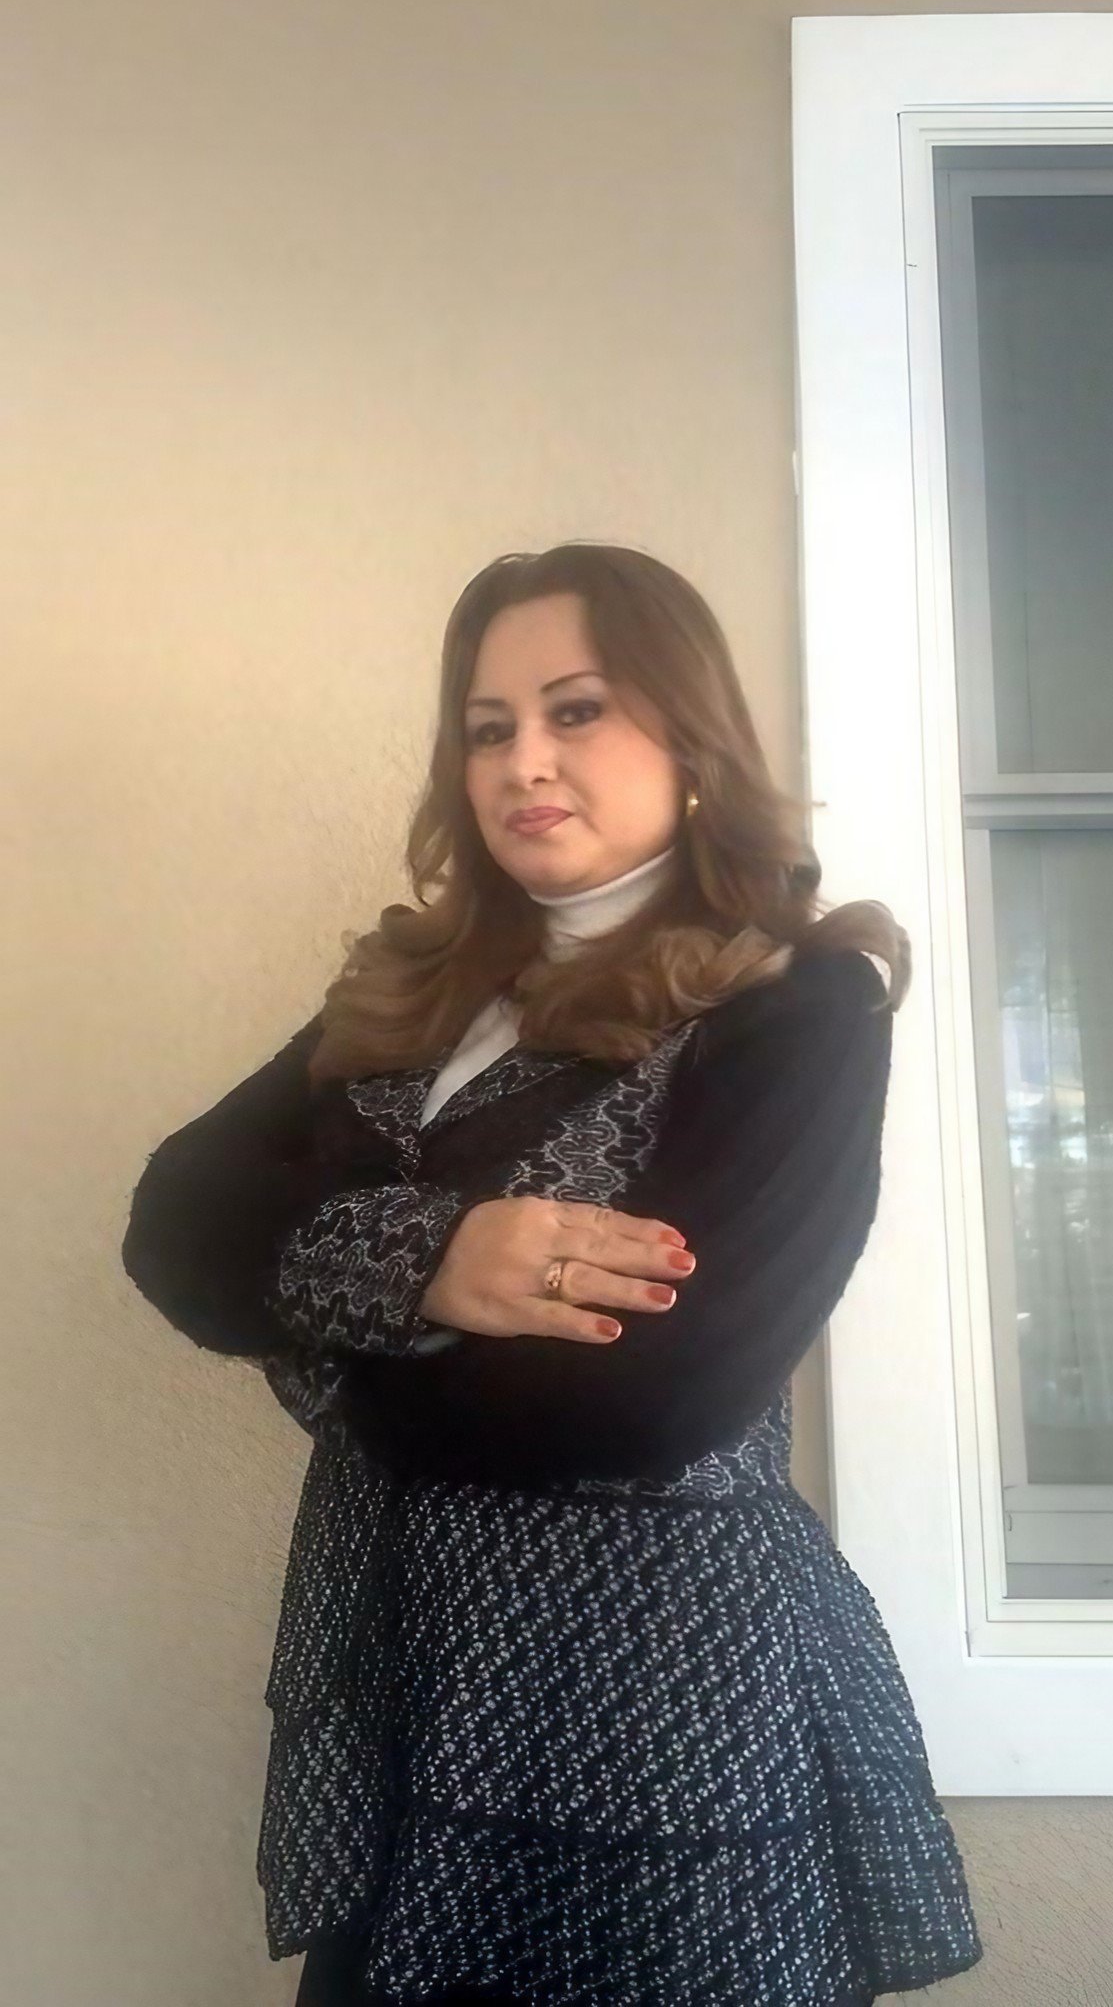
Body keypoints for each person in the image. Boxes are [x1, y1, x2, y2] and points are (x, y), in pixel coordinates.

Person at [121, 542, 985, 2006]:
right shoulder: (412, 993)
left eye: (576, 710)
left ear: (691, 741)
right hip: (405, 1662)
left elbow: (656, 1396)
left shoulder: (795, 1007)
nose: (524, 759)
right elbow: (175, 1225)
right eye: (487, 726)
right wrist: (433, 1263)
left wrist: (321, 1337)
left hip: (654, 1702)